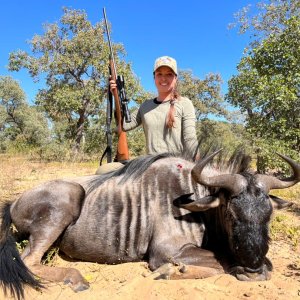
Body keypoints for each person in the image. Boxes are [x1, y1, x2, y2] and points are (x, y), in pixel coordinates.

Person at [110, 56, 199, 159]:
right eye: (159, 74)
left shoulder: (185, 103)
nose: (163, 78)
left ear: (176, 78)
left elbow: (190, 139)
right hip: (151, 167)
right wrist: (115, 96)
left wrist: (197, 165)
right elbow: (124, 126)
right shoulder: (145, 106)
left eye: (169, 74)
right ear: (154, 77)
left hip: (177, 167)